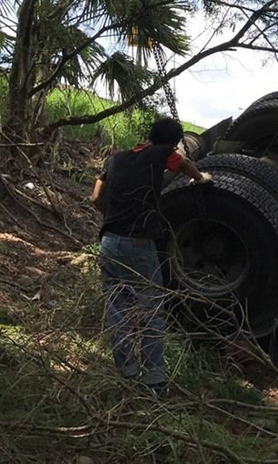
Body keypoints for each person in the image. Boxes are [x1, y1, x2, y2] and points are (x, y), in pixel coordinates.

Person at [91, 117, 211, 395]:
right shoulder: (163, 154)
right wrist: (200, 178)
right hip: (139, 244)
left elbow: (96, 197)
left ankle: (127, 371)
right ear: (172, 141)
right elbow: (181, 163)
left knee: (117, 308)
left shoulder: (117, 158)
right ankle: (154, 381)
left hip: (109, 242)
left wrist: (112, 216)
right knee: (151, 311)